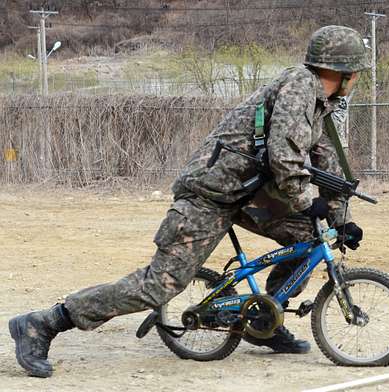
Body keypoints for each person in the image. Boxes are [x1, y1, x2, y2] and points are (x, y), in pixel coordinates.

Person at [8, 25, 369, 378]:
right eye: (357, 75)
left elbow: (331, 167)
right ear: (344, 72)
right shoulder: (299, 87)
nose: (357, 81)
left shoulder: (321, 106)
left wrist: (340, 220)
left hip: (245, 193)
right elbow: (284, 157)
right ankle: (45, 322)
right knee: (158, 285)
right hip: (208, 195)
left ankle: (264, 319)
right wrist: (307, 200)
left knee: (310, 237)